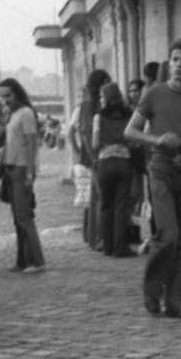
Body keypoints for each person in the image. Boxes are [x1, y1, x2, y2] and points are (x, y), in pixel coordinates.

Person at [126, 40, 181, 319]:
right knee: (168, 235)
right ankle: (152, 292)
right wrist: (157, 139)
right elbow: (131, 131)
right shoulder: (153, 94)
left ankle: (176, 304)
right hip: (160, 167)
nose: (178, 65)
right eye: (174, 59)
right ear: (168, 63)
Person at [0, 77, 45, 273]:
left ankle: (35, 260)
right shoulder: (13, 114)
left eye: (8, 95)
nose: (5, 100)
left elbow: (32, 145)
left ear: (17, 92)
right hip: (12, 168)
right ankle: (23, 260)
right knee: (18, 218)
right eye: (2, 96)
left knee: (24, 217)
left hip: (21, 169)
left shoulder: (25, 113)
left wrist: (29, 175)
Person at [94, 81, 137, 258]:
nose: (100, 99)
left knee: (106, 206)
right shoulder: (129, 114)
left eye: (102, 96)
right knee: (121, 205)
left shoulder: (99, 117)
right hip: (123, 162)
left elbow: (95, 143)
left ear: (107, 97)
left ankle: (108, 247)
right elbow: (133, 140)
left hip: (105, 162)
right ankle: (121, 248)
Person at [76, 67, 112, 250]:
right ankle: (99, 239)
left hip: (97, 155)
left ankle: (94, 237)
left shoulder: (97, 103)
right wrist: (94, 156)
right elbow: (87, 132)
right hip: (95, 156)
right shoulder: (90, 104)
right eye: (104, 82)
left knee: (96, 197)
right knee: (101, 197)